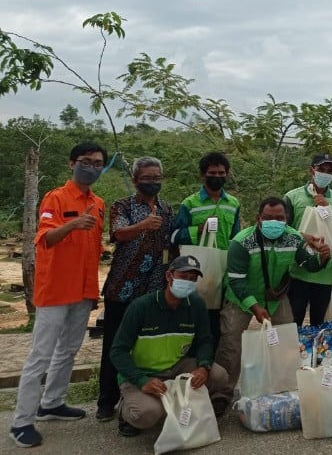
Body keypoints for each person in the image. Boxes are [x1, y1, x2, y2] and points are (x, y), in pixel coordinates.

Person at [9, 142, 107, 448]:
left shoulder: (99, 203)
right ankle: (21, 422)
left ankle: (51, 403)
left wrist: (93, 292)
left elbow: (93, 251)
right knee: (41, 354)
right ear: (72, 163)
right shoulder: (56, 197)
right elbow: (45, 238)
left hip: (83, 289)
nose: (91, 167)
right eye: (86, 161)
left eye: (98, 163)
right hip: (54, 290)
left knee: (68, 350)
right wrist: (74, 224)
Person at [213, 197, 331, 410]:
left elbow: (307, 264)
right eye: (268, 218)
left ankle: (284, 385)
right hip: (240, 298)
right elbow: (236, 280)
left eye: (280, 218)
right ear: (258, 219)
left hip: (275, 298)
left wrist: (322, 259)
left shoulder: (293, 238)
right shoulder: (242, 242)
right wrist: (255, 307)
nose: (274, 222)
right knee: (231, 342)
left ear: (287, 219)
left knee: (286, 338)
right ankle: (223, 393)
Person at [110, 255, 228, 436]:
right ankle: (125, 410)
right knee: (148, 414)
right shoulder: (141, 307)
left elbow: (205, 340)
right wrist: (142, 380)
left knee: (219, 376)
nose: (188, 282)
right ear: (168, 276)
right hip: (143, 371)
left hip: (176, 366)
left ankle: (179, 402)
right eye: (183, 276)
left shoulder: (195, 304)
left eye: (192, 279)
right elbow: (118, 351)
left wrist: (203, 367)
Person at [96, 157, 174, 422]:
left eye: (156, 178)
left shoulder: (166, 208)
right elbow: (118, 234)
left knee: (144, 347)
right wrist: (142, 226)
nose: (152, 182)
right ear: (135, 180)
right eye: (147, 178)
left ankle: (138, 395)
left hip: (153, 289)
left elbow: (170, 244)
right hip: (123, 287)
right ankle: (106, 402)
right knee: (115, 345)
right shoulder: (122, 205)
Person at [171, 151, 241, 349]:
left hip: (223, 271)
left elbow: (236, 237)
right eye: (212, 173)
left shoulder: (233, 204)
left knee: (218, 322)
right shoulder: (190, 203)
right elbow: (174, 236)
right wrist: (197, 230)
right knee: (194, 318)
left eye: (221, 173)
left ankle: (212, 367)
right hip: (197, 272)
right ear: (203, 175)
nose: (217, 177)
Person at [283, 154, 332, 327]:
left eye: (330, 171)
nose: (325, 174)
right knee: (293, 321)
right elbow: (283, 230)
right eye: (321, 169)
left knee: (319, 325)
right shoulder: (292, 196)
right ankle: (294, 354)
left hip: (325, 276)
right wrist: (302, 237)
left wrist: (327, 208)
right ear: (312, 170)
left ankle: (316, 354)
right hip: (298, 272)